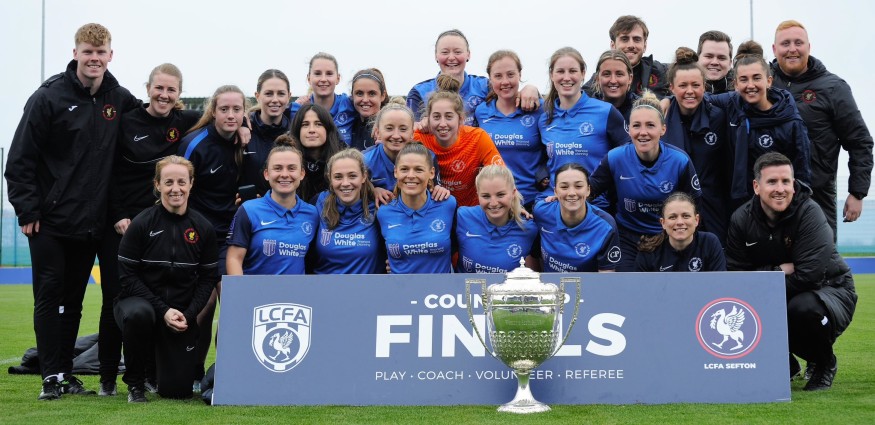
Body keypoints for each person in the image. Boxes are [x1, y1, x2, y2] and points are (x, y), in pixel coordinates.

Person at [5, 23, 139, 400]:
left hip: (93, 224)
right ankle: (51, 377)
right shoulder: (47, 97)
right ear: (76, 53)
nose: (94, 59)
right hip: (48, 223)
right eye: (87, 52)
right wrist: (27, 208)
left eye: (101, 53)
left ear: (110, 55)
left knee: (75, 302)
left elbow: (152, 129)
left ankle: (66, 372)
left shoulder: (120, 98)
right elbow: (19, 160)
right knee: (50, 295)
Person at [101, 63, 199, 396]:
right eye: (159, 88)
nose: (164, 95)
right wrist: (118, 213)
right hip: (124, 223)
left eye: (172, 90)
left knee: (161, 295)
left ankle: (153, 373)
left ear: (179, 95)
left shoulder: (181, 121)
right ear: (148, 88)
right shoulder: (126, 122)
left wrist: (244, 122)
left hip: (162, 222)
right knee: (117, 300)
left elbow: (218, 113)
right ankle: (109, 377)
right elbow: (108, 171)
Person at [725, 152, 857, 391]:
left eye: (786, 181)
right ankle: (786, 364)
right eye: (772, 182)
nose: (781, 188)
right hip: (786, 289)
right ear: (756, 186)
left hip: (831, 288)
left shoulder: (810, 213)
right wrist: (777, 270)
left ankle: (824, 362)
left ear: (794, 185)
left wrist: (761, 283)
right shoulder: (740, 219)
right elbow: (737, 275)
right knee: (746, 303)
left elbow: (809, 275)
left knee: (800, 309)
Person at [115, 155, 219, 402]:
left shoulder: (203, 228)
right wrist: (163, 310)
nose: (176, 189)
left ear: (191, 183)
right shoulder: (141, 223)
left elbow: (207, 280)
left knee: (177, 391)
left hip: (181, 313)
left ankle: (157, 371)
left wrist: (189, 314)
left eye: (182, 182)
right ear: (157, 185)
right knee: (140, 314)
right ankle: (136, 384)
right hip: (139, 305)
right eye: (169, 182)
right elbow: (127, 278)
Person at [770, 20, 873, 239]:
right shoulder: (762, 83)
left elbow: (860, 142)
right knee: (771, 269)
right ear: (774, 49)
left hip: (816, 195)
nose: (792, 49)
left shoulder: (833, 87)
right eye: (785, 43)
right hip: (768, 197)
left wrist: (857, 192)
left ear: (809, 47)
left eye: (798, 43)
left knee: (819, 266)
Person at [177, 84, 248, 388]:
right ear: (213, 111)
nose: (231, 115)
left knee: (232, 305)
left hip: (231, 238)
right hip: (197, 239)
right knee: (202, 308)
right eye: (224, 109)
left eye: (236, 109)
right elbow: (178, 189)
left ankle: (227, 371)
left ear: (244, 113)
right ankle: (192, 371)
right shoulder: (195, 144)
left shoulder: (246, 141)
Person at [589, 92, 702, 271]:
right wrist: (560, 199)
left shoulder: (679, 161)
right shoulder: (615, 158)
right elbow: (588, 191)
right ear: (629, 129)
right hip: (627, 238)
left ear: (663, 129)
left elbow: (694, 204)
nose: (643, 132)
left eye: (650, 125)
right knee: (629, 293)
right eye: (636, 126)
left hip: (667, 237)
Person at [708, 40, 812, 205]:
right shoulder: (732, 103)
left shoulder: (790, 120)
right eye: (743, 79)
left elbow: (802, 171)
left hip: (778, 206)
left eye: (756, 78)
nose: (750, 85)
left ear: (769, 81)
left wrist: (795, 207)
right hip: (740, 206)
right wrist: (669, 100)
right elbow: (698, 99)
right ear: (735, 85)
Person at [539, 47, 629, 205]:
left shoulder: (606, 112)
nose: (566, 77)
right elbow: (540, 160)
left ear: (583, 73)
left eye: (572, 71)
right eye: (560, 71)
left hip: (595, 206)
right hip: (555, 203)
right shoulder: (544, 118)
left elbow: (627, 156)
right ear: (551, 75)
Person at [663, 47, 732, 244]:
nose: (690, 91)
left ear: (704, 86)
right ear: (672, 88)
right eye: (683, 85)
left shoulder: (718, 117)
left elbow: (728, 164)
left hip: (713, 207)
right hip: (674, 207)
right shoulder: (662, 118)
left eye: (696, 85)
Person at [407, 29, 540, 125]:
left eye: (458, 52)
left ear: (468, 55)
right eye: (445, 52)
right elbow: (411, 131)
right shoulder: (419, 92)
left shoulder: (485, 86)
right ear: (436, 55)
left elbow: (511, 96)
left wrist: (531, 89)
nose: (451, 57)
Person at [226, 138, 318, 275]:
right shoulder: (248, 210)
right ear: (267, 174)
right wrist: (242, 294)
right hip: (257, 294)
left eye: (292, 168)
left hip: (295, 295)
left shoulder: (312, 214)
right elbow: (234, 258)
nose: (285, 174)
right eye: (277, 168)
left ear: (302, 174)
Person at [414, 75, 504, 207]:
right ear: (428, 118)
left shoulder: (477, 138)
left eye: (449, 117)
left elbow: (501, 176)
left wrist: (515, 206)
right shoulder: (418, 138)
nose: (443, 123)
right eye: (436, 117)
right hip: (433, 211)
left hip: (470, 212)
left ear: (460, 119)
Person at [474, 50, 546, 209]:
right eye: (498, 76)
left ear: (520, 75)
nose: (505, 81)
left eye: (510, 74)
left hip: (531, 201)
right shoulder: (481, 112)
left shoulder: (539, 109)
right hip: (495, 203)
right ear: (490, 79)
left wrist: (533, 88)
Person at [377, 142, 457, 273]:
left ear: (431, 172)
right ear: (395, 172)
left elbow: (459, 245)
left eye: (418, 169)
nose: (411, 175)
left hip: (440, 292)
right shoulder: (383, 212)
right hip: (400, 290)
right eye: (404, 169)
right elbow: (378, 254)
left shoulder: (448, 204)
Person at [534, 163, 621, 273]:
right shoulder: (541, 211)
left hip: (588, 288)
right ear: (555, 191)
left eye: (578, 186)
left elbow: (607, 278)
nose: (571, 193)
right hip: (551, 288)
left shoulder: (606, 226)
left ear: (588, 190)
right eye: (564, 187)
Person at [311, 149, 385, 274]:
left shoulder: (378, 207)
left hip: (366, 291)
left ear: (363, 176)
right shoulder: (318, 203)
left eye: (352, 176)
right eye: (338, 177)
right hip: (324, 290)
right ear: (330, 178)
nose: (345, 183)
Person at [363, 98, 449, 205]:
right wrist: (371, 191)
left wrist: (439, 189)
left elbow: (433, 188)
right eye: (389, 128)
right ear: (378, 132)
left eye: (403, 129)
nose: (396, 135)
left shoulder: (428, 157)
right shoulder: (364, 160)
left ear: (412, 133)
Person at [456, 165, 538, 273]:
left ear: (513, 193)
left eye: (500, 195)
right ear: (478, 195)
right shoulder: (462, 217)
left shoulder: (529, 228)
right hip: (463, 289)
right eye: (486, 196)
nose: (493, 203)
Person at [635, 192, 725, 272]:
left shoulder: (709, 243)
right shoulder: (649, 251)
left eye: (686, 216)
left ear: (696, 220)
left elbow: (720, 286)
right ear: (663, 223)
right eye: (672, 217)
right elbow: (640, 289)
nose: (680, 222)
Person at [583, 15, 670, 98]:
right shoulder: (600, 79)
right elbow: (577, 101)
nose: (631, 45)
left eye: (637, 39)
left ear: (645, 46)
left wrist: (668, 99)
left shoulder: (660, 71)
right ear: (613, 45)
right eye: (624, 39)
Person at [288, 52, 357, 146]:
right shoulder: (296, 110)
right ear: (309, 78)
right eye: (317, 74)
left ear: (338, 78)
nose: (323, 79)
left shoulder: (349, 104)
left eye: (329, 74)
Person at [243, 69, 292, 196]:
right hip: (252, 211)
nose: (275, 99)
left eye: (281, 94)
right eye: (269, 94)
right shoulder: (243, 131)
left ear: (289, 96)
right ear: (257, 96)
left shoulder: (297, 132)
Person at [288, 103, 346, 203]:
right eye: (305, 125)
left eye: (318, 124)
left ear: (327, 129)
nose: (311, 130)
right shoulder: (284, 160)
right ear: (297, 130)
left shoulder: (345, 159)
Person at [588, 49, 640, 125]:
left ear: (630, 78)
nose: (613, 81)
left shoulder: (642, 109)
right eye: (606, 74)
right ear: (597, 79)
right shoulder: (587, 111)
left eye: (619, 74)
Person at [349, 68, 388, 151]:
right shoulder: (348, 122)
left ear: (382, 96)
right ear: (352, 95)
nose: (365, 100)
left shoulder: (389, 128)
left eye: (372, 94)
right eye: (359, 93)